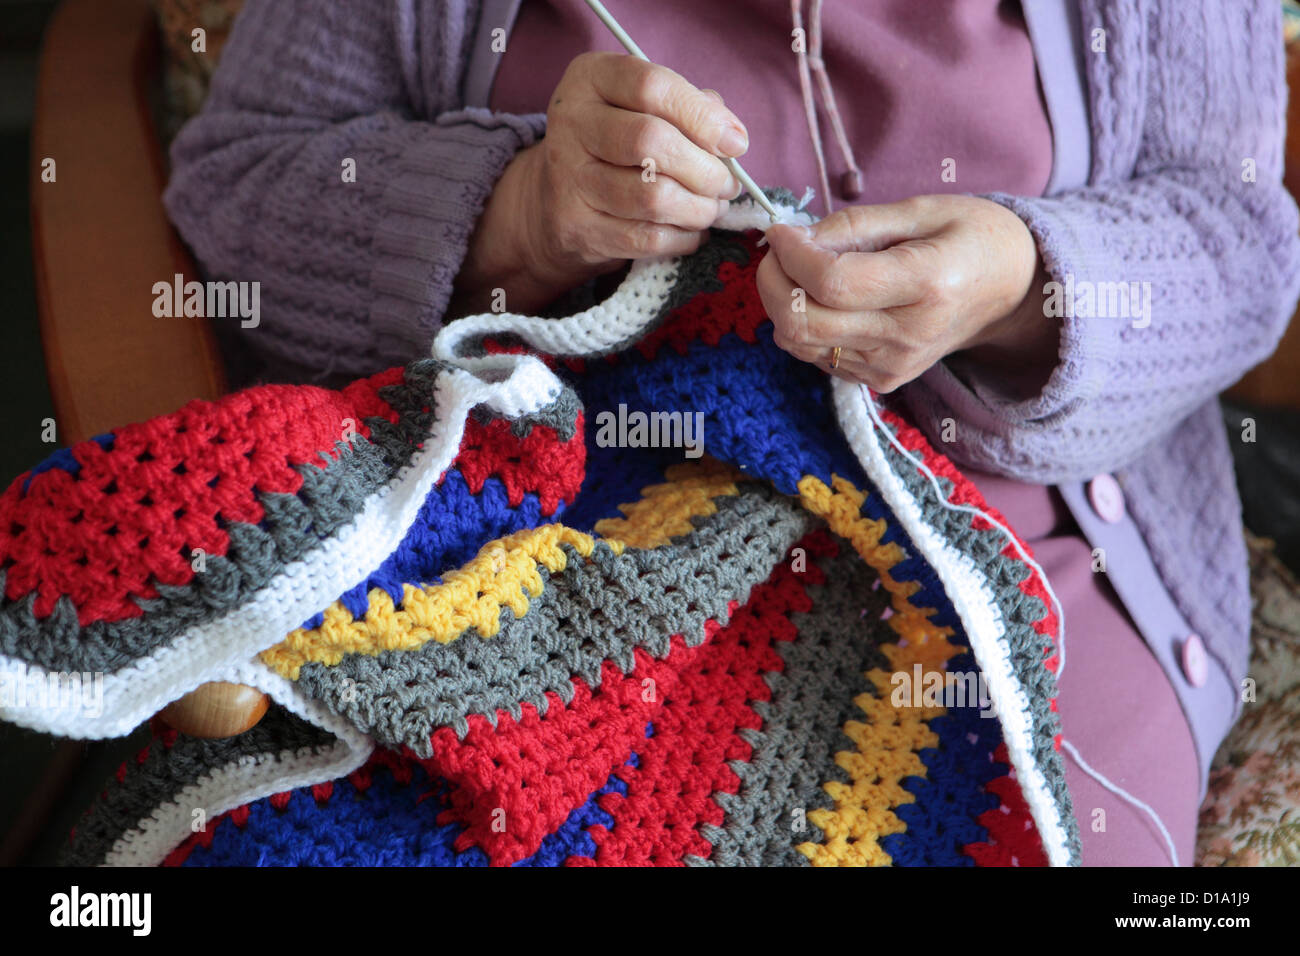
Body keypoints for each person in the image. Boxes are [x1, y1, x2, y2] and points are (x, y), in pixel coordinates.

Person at [162, 0, 1300, 865]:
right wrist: (523, 213)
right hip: (519, 536)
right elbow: (244, 188)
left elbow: (1240, 237)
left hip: (1014, 548)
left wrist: (1019, 286)